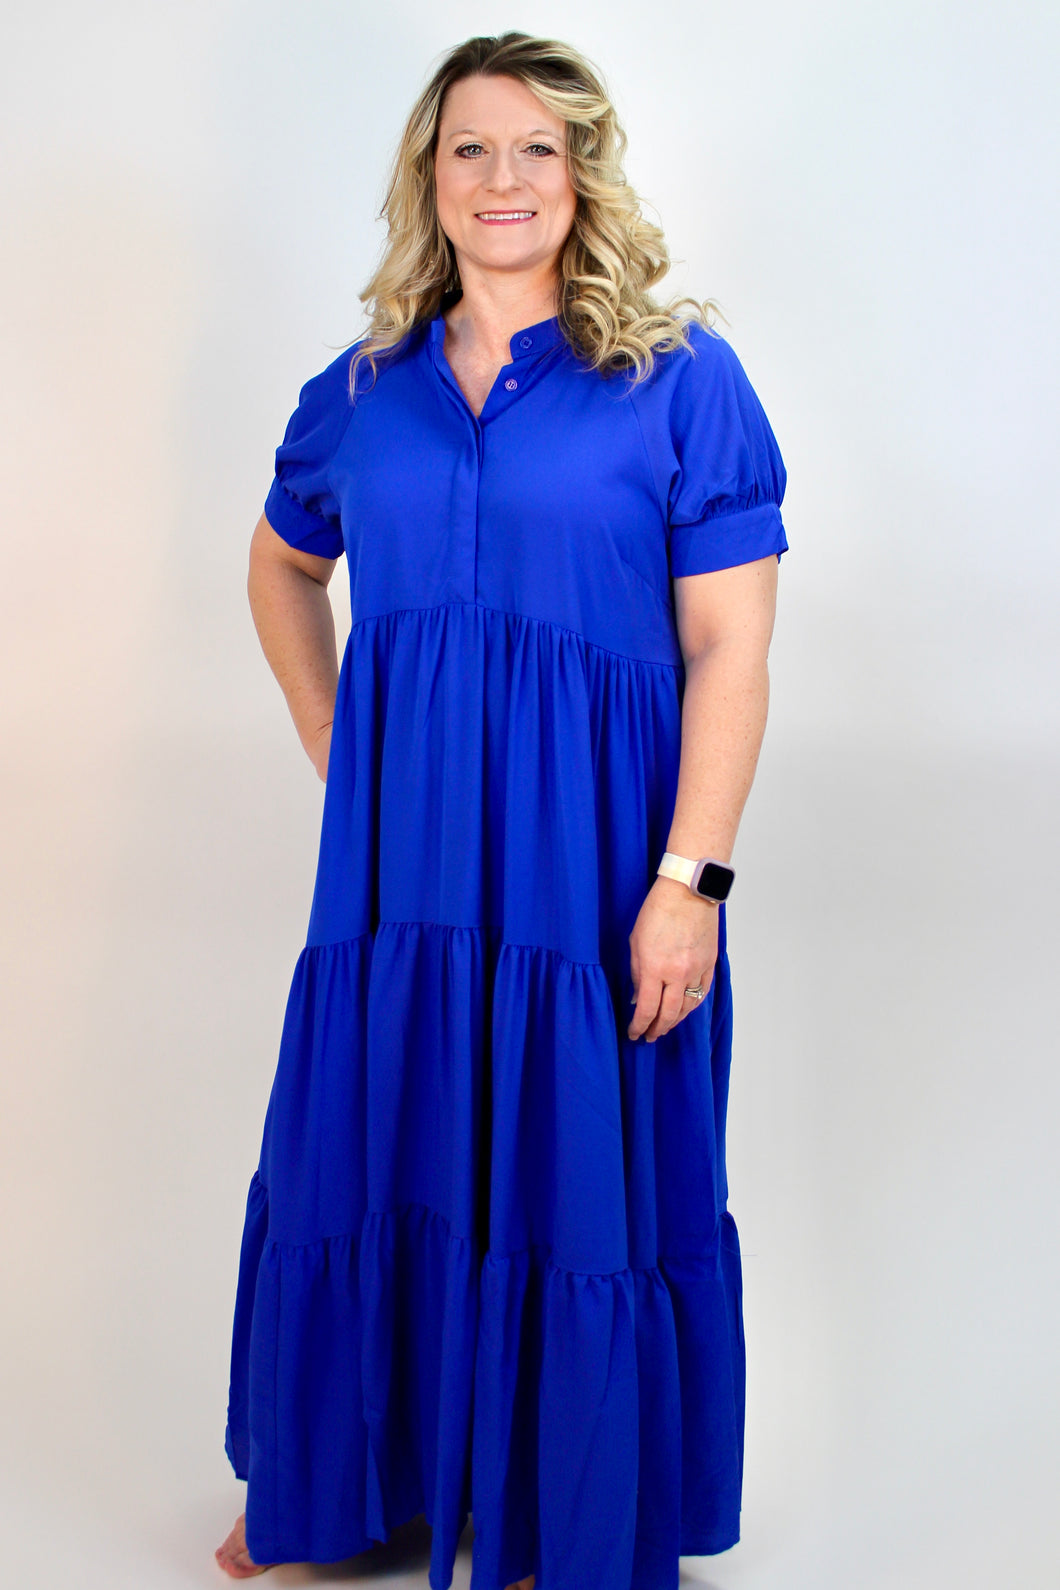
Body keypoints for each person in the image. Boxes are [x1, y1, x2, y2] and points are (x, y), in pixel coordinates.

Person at [215, 29, 788, 1590]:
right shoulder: (363, 391)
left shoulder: (682, 380)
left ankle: (554, 1504)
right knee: (373, 1132)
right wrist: (334, 730)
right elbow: (281, 562)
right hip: (400, 876)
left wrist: (691, 879)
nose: (503, 178)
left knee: (571, 1154)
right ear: (430, 176)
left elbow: (732, 647)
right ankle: (341, 1480)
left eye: (538, 146)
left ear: (584, 173)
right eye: (470, 146)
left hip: (595, 864)